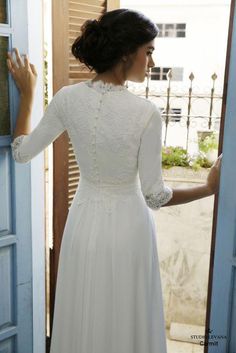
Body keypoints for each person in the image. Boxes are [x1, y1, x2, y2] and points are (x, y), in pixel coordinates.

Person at [7, 8, 222, 353]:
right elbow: (155, 196)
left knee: (84, 313)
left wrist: (29, 95)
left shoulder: (66, 98)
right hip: (130, 228)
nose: (152, 61)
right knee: (127, 316)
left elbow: (20, 153)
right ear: (126, 52)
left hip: (83, 224)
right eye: (149, 51)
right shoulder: (146, 113)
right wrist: (209, 188)